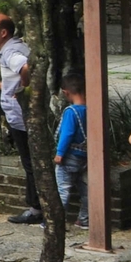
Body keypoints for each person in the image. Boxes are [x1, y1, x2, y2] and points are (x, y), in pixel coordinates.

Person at [0, 13, 42, 224]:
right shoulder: (16, 46)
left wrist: (25, 88)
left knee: (30, 162)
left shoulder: (11, 52)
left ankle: (35, 209)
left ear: (3, 33)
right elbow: (13, 79)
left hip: (20, 116)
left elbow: (25, 68)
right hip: (12, 107)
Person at [56, 75, 90, 229]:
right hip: (85, 156)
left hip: (69, 156)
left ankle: (56, 223)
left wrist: (59, 153)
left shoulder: (71, 111)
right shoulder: (91, 110)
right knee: (86, 191)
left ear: (66, 92)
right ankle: (84, 219)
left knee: (63, 190)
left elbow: (67, 133)